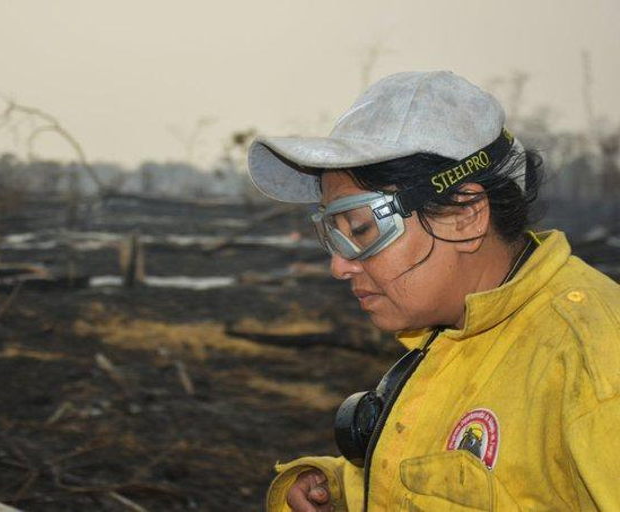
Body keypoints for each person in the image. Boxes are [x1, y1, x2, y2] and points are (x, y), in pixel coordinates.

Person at [247, 71, 620, 511]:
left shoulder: (595, 361)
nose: (340, 265)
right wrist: (339, 490)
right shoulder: (453, 329)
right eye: (334, 232)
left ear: (465, 215)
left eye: (362, 228)